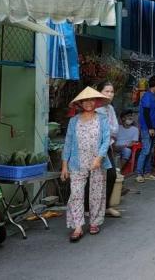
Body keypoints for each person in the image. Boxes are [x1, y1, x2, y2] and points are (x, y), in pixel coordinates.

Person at [61, 87, 112, 242]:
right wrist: (64, 165)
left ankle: (94, 222)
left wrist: (99, 157)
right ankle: (77, 226)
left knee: (96, 193)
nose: (88, 103)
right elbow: (68, 143)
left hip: (97, 162)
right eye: (85, 101)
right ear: (80, 103)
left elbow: (106, 140)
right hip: (77, 162)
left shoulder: (102, 119)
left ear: (95, 102)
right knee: (76, 194)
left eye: (91, 100)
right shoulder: (73, 121)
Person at [93, 81, 121, 218]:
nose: (110, 94)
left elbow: (115, 129)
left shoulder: (110, 108)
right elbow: (98, 129)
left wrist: (107, 130)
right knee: (92, 178)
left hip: (107, 146)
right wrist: (107, 130)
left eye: (111, 91)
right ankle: (89, 208)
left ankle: (105, 206)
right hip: (94, 148)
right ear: (99, 92)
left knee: (111, 175)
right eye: (107, 91)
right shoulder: (94, 108)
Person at [136, 75, 155, 183]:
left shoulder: (153, 97)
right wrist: (150, 128)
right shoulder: (147, 96)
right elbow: (146, 114)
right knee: (145, 151)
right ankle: (139, 174)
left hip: (153, 128)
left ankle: (147, 173)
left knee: (150, 151)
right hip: (147, 129)